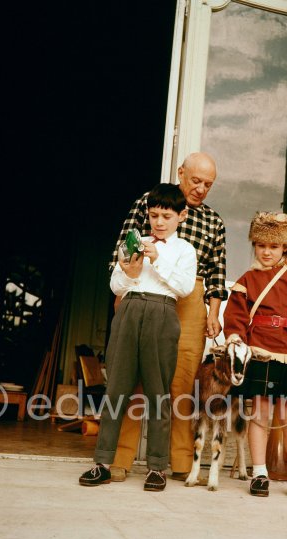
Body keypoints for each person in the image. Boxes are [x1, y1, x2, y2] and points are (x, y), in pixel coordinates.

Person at [108, 152, 227, 482]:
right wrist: (121, 294)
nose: (201, 189)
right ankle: (120, 458)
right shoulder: (152, 203)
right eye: (196, 181)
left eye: (208, 184)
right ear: (181, 173)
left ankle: (178, 461)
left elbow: (217, 274)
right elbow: (123, 247)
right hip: (145, 290)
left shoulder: (214, 222)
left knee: (181, 380)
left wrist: (213, 314)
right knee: (135, 379)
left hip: (190, 300)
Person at [79, 183, 197, 491]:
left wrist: (157, 259)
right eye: (154, 215)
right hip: (130, 309)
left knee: (158, 392)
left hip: (162, 311)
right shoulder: (136, 241)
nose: (159, 222)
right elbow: (116, 285)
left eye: (167, 216)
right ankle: (102, 462)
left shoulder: (185, 250)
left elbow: (184, 288)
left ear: (181, 216)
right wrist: (128, 272)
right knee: (116, 388)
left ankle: (157, 467)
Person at [223, 211, 287, 498]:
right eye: (261, 245)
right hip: (259, 353)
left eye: (273, 246)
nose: (266, 252)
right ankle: (259, 473)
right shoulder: (247, 280)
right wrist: (235, 340)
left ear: (285, 247)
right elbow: (235, 316)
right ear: (254, 246)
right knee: (260, 415)